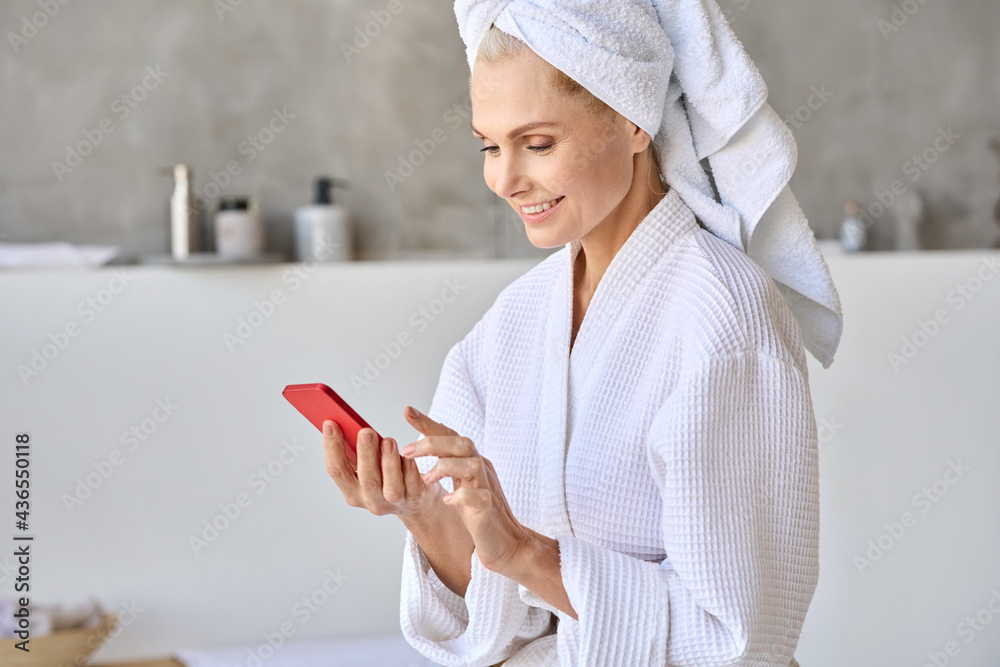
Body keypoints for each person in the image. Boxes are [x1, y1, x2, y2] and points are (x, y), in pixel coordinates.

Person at [322, 2, 842, 664]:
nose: (504, 179)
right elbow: (492, 619)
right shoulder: (510, 326)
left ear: (631, 120)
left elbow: (743, 639)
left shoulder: (723, 316)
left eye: (537, 144)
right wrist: (421, 513)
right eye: (489, 144)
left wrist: (526, 552)